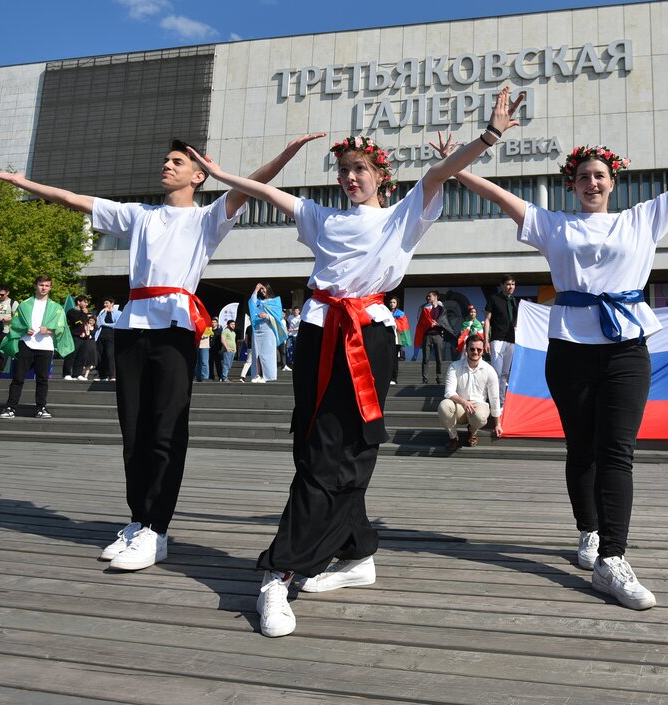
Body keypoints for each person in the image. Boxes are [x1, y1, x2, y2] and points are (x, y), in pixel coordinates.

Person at [192, 87, 521, 638]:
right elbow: (265, 194)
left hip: (365, 337)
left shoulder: (399, 216)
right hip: (320, 334)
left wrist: (489, 135)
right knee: (315, 443)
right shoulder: (321, 217)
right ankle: (356, 550)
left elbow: (442, 171)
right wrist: (223, 175)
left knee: (339, 449)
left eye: (360, 169)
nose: (350, 178)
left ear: (379, 175)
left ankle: (279, 569)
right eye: (344, 169)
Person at [451, 117, 668, 612]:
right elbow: (496, 194)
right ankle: (589, 531)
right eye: (583, 177)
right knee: (582, 450)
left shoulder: (642, 217)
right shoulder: (552, 224)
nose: (592, 183)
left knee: (617, 451)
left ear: (612, 181)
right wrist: (454, 166)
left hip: (627, 348)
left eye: (600, 175)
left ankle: (613, 560)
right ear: (572, 185)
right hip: (570, 349)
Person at [0, 134, 313, 572]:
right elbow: (71, 199)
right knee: (133, 430)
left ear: (198, 175)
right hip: (134, 328)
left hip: (175, 330)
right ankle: (138, 521)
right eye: (166, 160)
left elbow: (252, 184)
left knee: (166, 430)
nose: (167, 166)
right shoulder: (139, 215)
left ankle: (158, 528)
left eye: (177, 162)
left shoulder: (208, 218)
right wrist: (22, 183)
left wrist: (287, 154)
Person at [0, 275, 74, 420]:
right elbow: (15, 324)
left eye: (46, 285)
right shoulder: (24, 305)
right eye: (41, 285)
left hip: (45, 346)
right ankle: (10, 407)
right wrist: (23, 330)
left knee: (42, 379)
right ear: (35, 286)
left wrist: (49, 331)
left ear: (50, 287)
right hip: (26, 343)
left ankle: (41, 408)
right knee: (18, 378)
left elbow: (61, 327)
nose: (43, 288)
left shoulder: (56, 308)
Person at [439, 333, 502, 449]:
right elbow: (449, 392)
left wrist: (497, 424)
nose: (475, 352)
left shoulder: (489, 370)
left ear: (483, 351)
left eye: (479, 349)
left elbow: (494, 398)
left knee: (480, 417)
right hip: (459, 406)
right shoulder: (454, 366)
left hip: (478, 407)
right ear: (466, 349)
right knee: (444, 406)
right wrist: (463, 402)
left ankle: (472, 432)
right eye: (472, 349)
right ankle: (454, 438)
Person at [484, 274, 519, 407]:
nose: (511, 287)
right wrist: (486, 340)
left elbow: (516, 322)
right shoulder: (494, 298)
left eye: (513, 284)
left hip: (511, 340)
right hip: (497, 339)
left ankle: (502, 404)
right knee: (496, 373)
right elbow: (487, 320)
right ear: (502, 285)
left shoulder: (514, 300)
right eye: (508, 284)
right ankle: (494, 403)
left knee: (505, 374)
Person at [248, 283, 285, 381]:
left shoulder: (275, 301)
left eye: (263, 289)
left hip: (268, 330)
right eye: (261, 290)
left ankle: (267, 375)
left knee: (268, 353)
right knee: (257, 353)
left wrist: (267, 316)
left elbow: (279, 317)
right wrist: (256, 289)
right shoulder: (260, 302)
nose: (262, 291)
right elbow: (251, 303)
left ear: (268, 289)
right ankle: (257, 375)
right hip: (257, 329)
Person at [418, 290, 446, 384]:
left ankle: (439, 377)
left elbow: (445, 322)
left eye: (430, 296)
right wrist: (428, 323)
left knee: (439, 358)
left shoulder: (441, 308)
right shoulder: (425, 308)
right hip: (427, 335)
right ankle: (424, 378)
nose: (428, 298)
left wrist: (437, 324)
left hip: (437, 335)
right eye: (428, 296)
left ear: (435, 297)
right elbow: (420, 321)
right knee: (425, 358)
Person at [63, 295, 91, 379]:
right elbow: (78, 322)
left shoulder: (85, 312)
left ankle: (77, 374)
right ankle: (67, 373)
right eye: (84, 302)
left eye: (87, 302)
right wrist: (84, 313)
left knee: (81, 356)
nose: (86, 304)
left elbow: (87, 322)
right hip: (75, 336)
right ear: (79, 302)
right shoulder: (72, 311)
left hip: (85, 337)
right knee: (71, 355)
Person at [95, 298, 119, 381]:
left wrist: (105, 324)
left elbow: (117, 324)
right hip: (100, 335)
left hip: (111, 335)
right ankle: (102, 375)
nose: (105, 305)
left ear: (112, 303)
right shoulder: (102, 313)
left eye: (107, 303)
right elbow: (98, 323)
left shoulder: (118, 313)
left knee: (110, 355)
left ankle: (112, 375)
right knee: (100, 355)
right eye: (104, 303)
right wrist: (104, 314)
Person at [387, 297, 407, 385]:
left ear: (397, 303)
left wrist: (395, 322)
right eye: (391, 302)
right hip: (387, 339)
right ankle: (387, 377)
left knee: (394, 359)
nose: (392, 304)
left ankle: (394, 378)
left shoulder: (400, 314)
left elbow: (403, 326)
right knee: (388, 359)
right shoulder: (385, 313)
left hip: (396, 339)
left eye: (394, 302)